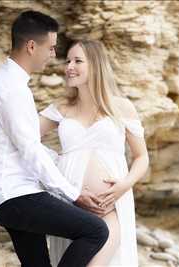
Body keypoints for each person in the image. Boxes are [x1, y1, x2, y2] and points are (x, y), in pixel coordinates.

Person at [0, 11, 110, 267]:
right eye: (50, 48)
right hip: (16, 195)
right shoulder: (11, 89)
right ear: (31, 46)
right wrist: (73, 193)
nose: (53, 55)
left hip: (16, 194)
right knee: (96, 231)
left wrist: (63, 161)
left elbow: (27, 144)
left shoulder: (13, 84)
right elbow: (30, 149)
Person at [40, 40, 149, 266]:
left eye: (78, 61)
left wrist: (123, 185)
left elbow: (141, 157)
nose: (69, 66)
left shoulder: (121, 107)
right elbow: (24, 140)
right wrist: (56, 162)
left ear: (96, 65)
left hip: (110, 205)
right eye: (68, 60)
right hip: (71, 205)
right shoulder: (62, 107)